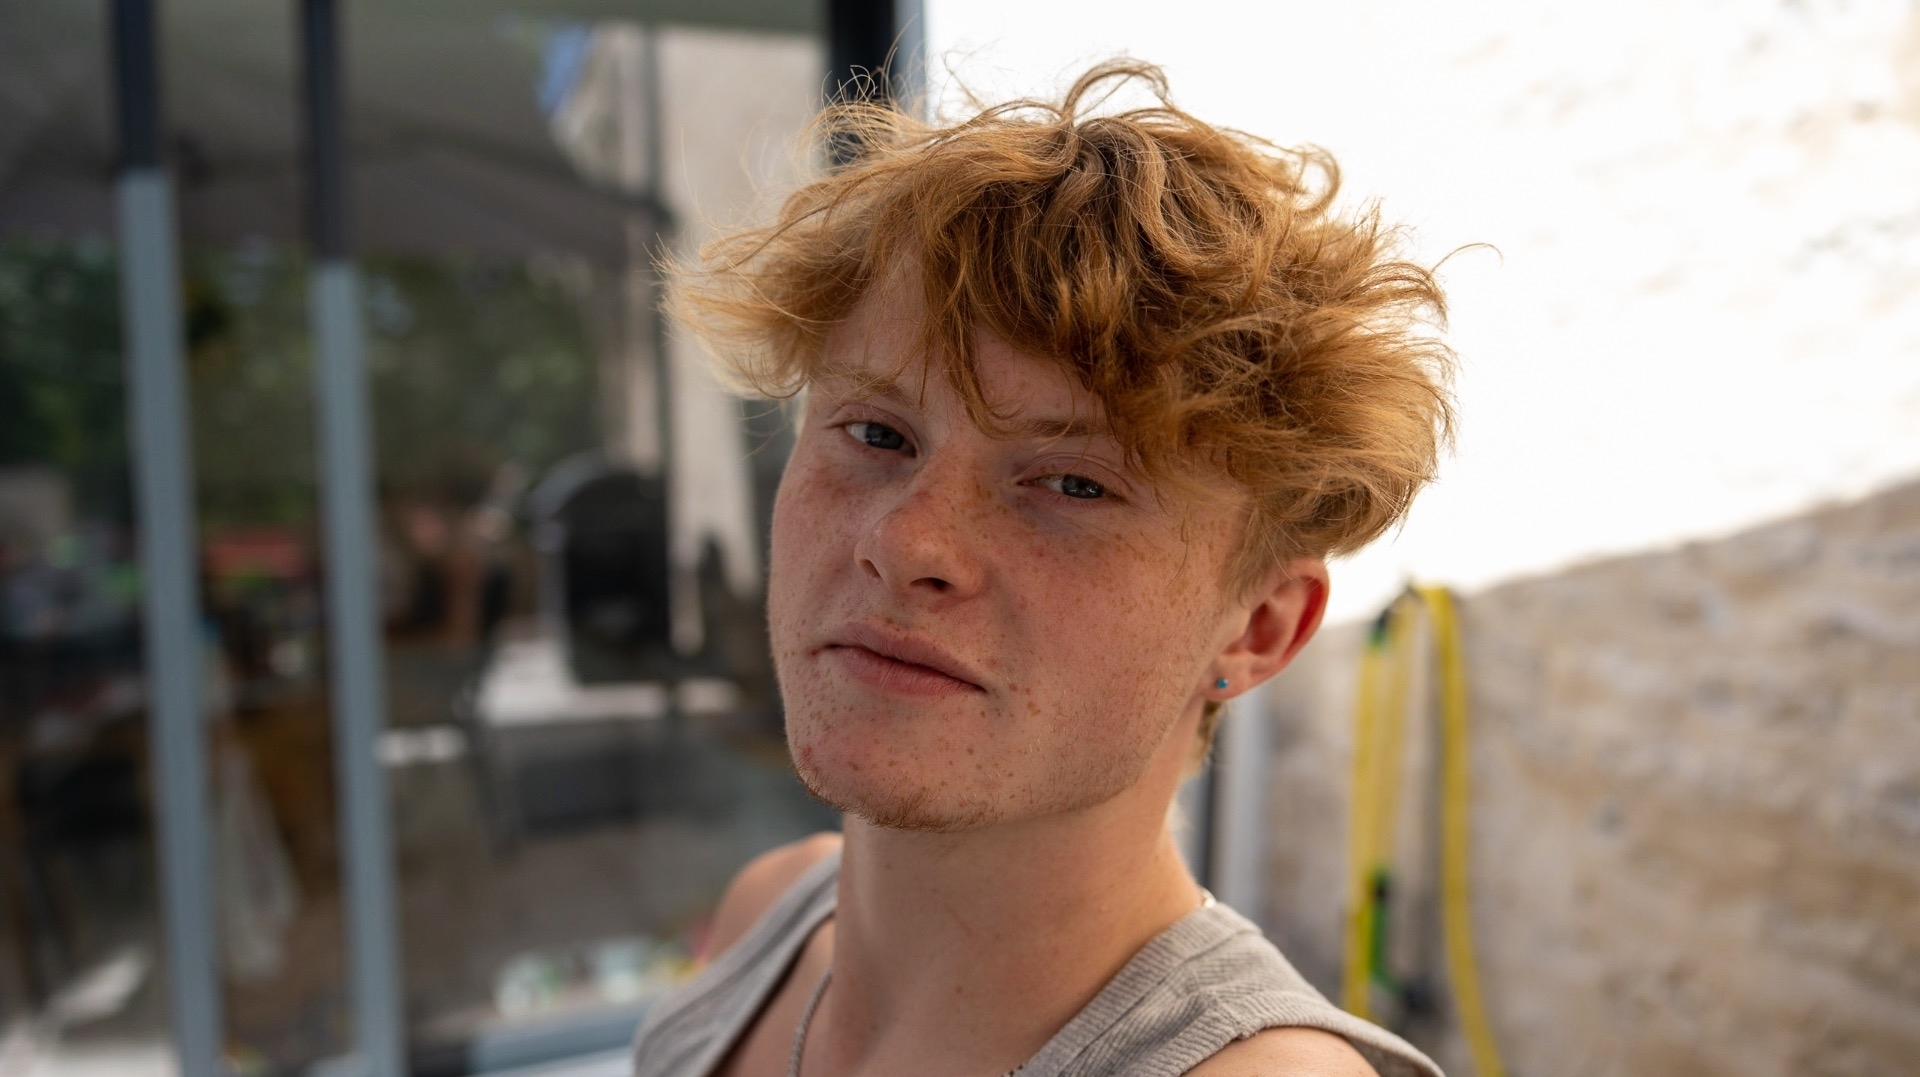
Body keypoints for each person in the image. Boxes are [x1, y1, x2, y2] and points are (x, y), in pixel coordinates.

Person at [632, 60, 1454, 1077]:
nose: (906, 542)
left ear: (1260, 628)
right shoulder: (770, 915)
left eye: (1072, 485)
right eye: (878, 433)